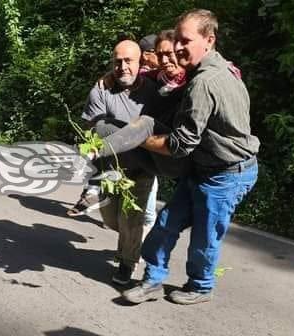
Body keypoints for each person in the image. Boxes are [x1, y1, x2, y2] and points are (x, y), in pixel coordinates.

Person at [121, 8, 260, 305]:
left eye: (186, 41)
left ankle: (201, 286)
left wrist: (136, 138)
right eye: (178, 40)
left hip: (227, 174)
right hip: (204, 168)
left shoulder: (205, 82)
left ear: (209, 40)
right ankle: (153, 280)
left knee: (205, 236)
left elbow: (180, 145)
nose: (179, 47)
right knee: (166, 222)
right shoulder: (223, 68)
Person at [76, 39, 161, 285]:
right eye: (118, 61)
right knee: (112, 219)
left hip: (142, 169)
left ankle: (127, 262)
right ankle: (128, 245)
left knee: (131, 219)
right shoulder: (102, 90)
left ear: (140, 62)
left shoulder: (154, 91)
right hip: (110, 171)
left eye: (129, 61)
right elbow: (96, 128)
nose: (123, 66)